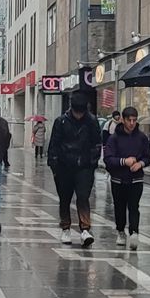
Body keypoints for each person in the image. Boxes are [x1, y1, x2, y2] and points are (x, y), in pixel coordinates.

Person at [47, 91, 101, 246]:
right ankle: (66, 227)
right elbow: (54, 145)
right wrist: (55, 166)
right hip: (64, 166)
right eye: (76, 112)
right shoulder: (61, 122)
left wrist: (92, 162)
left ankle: (85, 228)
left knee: (83, 197)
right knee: (65, 198)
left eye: (81, 112)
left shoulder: (91, 122)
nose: (78, 115)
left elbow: (97, 143)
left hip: (84, 166)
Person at [104, 107, 150, 249]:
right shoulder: (114, 138)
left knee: (133, 206)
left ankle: (134, 232)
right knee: (119, 207)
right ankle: (120, 231)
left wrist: (140, 164)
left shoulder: (142, 137)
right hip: (118, 179)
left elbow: (148, 156)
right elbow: (108, 159)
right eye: (129, 120)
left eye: (134, 120)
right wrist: (123, 161)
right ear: (123, 120)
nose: (132, 123)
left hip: (136, 179)